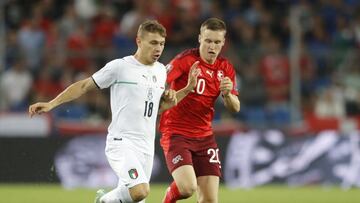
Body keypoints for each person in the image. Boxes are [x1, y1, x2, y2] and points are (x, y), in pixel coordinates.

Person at [29, 20, 200, 203]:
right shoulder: (120, 67)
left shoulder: (160, 71)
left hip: (147, 146)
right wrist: (52, 104)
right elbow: (84, 86)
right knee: (140, 191)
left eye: (161, 44)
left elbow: (157, 109)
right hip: (121, 142)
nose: (158, 48)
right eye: (153, 43)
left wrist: (186, 90)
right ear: (139, 41)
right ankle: (103, 200)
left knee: (134, 197)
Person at [160, 17, 240, 203]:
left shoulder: (225, 68)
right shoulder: (185, 60)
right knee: (187, 188)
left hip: (205, 137)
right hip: (176, 133)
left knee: (210, 201)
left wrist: (227, 94)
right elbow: (159, 79)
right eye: (208, 41)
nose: (212, 46)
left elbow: (235, 107)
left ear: (223, 43)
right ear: (199, 39)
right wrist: (166, 93)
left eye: (217, 42)